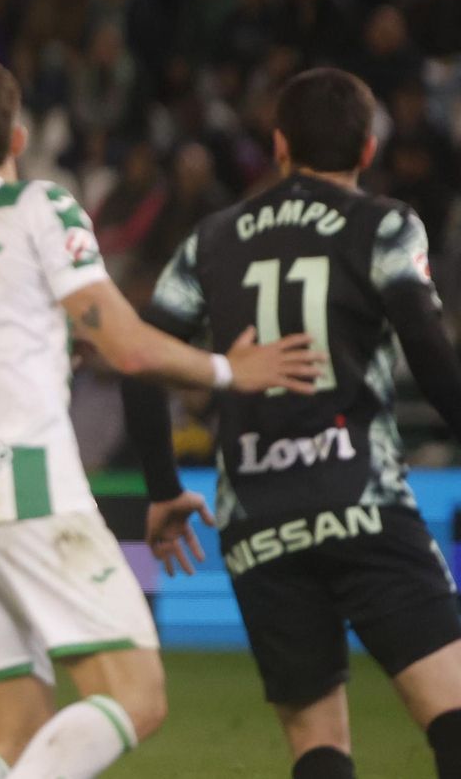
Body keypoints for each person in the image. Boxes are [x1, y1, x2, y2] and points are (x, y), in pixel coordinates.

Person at [0, 53, 320, 779]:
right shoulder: (40, 209)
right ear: (17, 138)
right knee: (137, 698)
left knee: (12, 731)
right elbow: (124, 345)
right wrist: (229, 369)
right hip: (27, 484)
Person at [122, 67, 461, 779]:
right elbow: (426, 346)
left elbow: (143, 358)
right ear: (368, 151)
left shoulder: (212, 239)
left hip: (257, 518)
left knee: (318, 744)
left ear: (278, 146)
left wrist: (161, 486)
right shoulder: (385, 224)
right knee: (452, 714)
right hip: (361, 502)